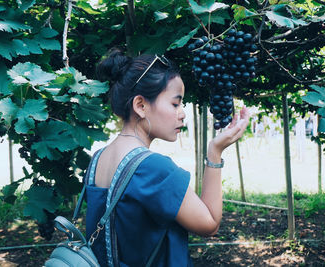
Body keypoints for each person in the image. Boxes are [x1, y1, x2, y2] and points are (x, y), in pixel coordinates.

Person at [84, 48, 250, 267]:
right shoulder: (153, 168)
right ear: (141, 106)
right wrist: (215, 152)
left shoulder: (97, 160)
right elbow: (210, 224)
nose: (182, 113)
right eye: (175, 103)